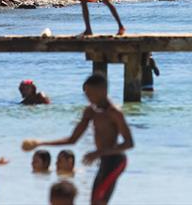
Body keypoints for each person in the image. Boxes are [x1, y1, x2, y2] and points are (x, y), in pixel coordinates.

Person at [22, 73, 134, 205]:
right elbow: (72, 139)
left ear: (102, 91)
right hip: (103, 160)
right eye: (86, 94)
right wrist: (40, 143)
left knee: (99, 201)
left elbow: (129, 143)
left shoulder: (114, 113)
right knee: (94, 201)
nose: (88, 97)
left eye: (90, 93)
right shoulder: (90, 111)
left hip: (116, 161)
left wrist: (98, 152)